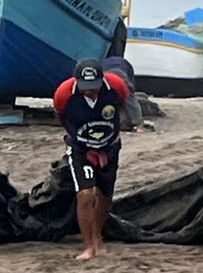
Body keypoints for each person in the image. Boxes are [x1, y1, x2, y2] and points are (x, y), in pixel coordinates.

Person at [54, 58, 131, 261]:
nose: (90, 91)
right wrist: (81, 142)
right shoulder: (64, 94)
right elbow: (61, 116)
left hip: (110, 146)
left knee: (105, 196)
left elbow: (123, 104)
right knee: (85, 194)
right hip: (80, 148)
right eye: (85, 88)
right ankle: (87, 246)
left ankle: (97, 235)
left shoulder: (116, 86)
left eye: (94, 87)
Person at [102, 54, 144, 130]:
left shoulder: (124, 85)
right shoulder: (98, 85)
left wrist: (138, 123)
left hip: (121, 69)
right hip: (107, 67)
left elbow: (131, 101)